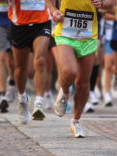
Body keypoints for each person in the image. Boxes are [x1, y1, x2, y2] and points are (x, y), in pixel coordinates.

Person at [46, 0, 113, 138]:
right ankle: (64, 92)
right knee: (69, 71)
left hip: (88, 35)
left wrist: (102, 3)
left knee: (83, 83)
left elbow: (112, 3)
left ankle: (76, 121)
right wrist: (53, 10)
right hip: (65, 33)